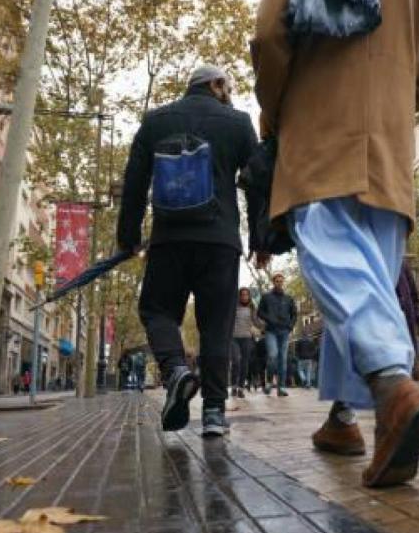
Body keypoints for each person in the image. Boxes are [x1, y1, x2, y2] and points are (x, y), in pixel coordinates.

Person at [254, 0, 419, 488]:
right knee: (366, 284)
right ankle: (343, 418)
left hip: (320, 123)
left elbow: (270, 37)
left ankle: (391, 387)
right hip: (389, 141)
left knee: (334, 262)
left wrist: (273, 116)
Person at [117, 65, 259, 437]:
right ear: (215, 85)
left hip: (169, 240)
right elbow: (259, 183)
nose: (229, 92)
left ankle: (176, 369)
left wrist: (128, 236)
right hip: (221, 240)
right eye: (226, 85)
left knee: (157, 310)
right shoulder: (239, 123)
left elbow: (134, 184)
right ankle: (213, 413)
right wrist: (261, 238)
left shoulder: (154, 121)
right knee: (216, 326)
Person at [257, 273, 297, 397]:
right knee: (273, 356)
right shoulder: (266, 297)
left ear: (283, 282)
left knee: (283, 360)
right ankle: (269, 383)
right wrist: (270, 319)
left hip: (284, 331)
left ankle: (281, 388)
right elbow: (260, 312)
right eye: (277, 281)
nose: (279, 283)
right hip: (271, 331)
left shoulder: (289, 298)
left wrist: (290, 326)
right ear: (273, 282)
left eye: (281, 281)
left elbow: (294, 314)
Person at [231, 287, 260, 398]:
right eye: (242, 294)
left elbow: (256, 322)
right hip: (234, 338)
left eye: (246, 295)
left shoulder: (252, 308)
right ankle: (234, 386)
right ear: (239, 296)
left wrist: (265, 326)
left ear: (249, 296)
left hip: (247, 338)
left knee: (244, 364)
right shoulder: (234, 307)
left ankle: (241, 388)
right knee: (236, 361)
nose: (244, 297)